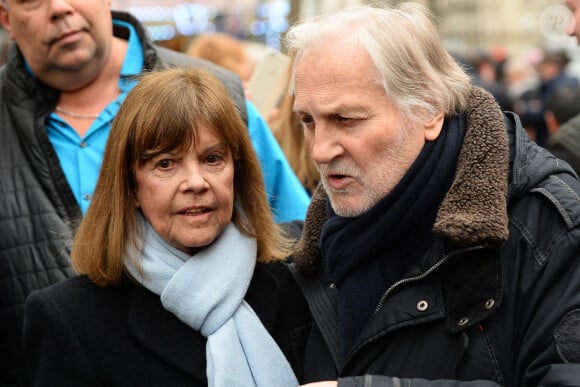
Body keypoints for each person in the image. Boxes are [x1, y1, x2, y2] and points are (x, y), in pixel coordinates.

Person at [0, 1, 310, 384]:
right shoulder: (67, 317)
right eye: (165, 163)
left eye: (213, 159)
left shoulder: (295, 286)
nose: (195, 182)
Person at [285, 3, 580, 386]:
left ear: (429, 110)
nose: (320, 150)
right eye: (308, 121)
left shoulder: (548, 229)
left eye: (345, 119)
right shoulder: (303, 254)